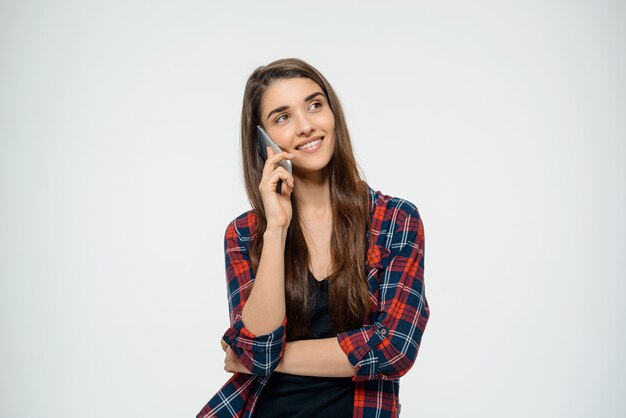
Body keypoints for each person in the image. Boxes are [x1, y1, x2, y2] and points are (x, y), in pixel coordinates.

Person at [196, 58, 429, 418]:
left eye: (314, 105)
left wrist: (267, 358)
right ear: (263, 140)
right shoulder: (245, 234)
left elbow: (393, 348)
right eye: (283, 117)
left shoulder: (395, 219)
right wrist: (276, 229)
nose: (306, 126)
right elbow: (258, 347)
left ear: (333, 114)